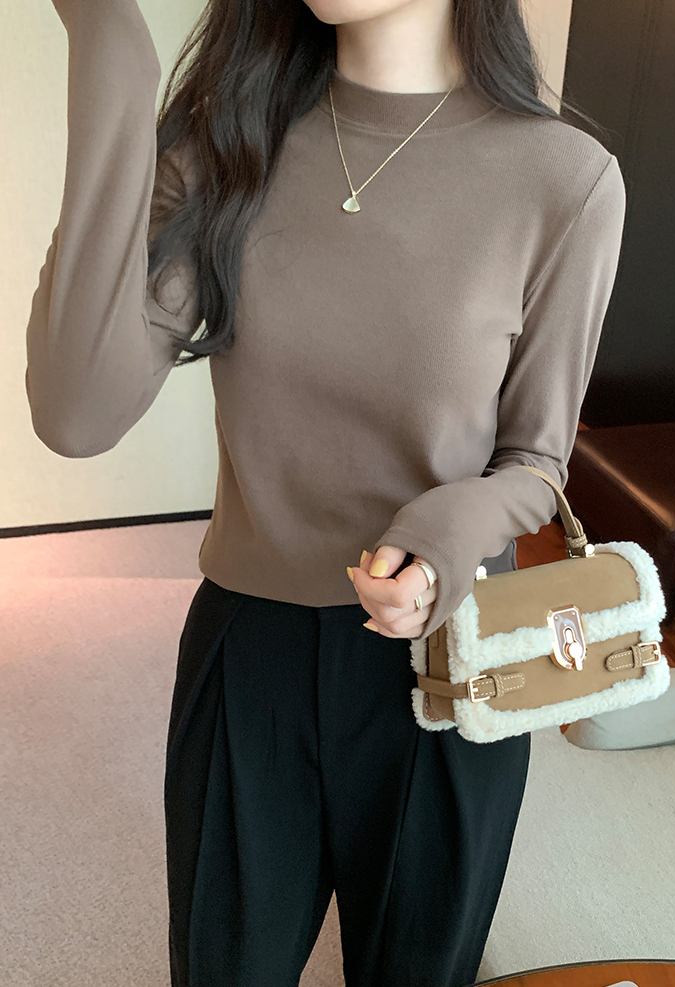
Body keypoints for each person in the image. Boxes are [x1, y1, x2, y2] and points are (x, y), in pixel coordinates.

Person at [25, 0, 626, 985]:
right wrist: (109, 42)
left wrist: (444, 534)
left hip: (451, 661)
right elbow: (74, 412)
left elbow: (536, 461)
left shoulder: (565, 179)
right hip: (247, 650)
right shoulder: (227, 146)